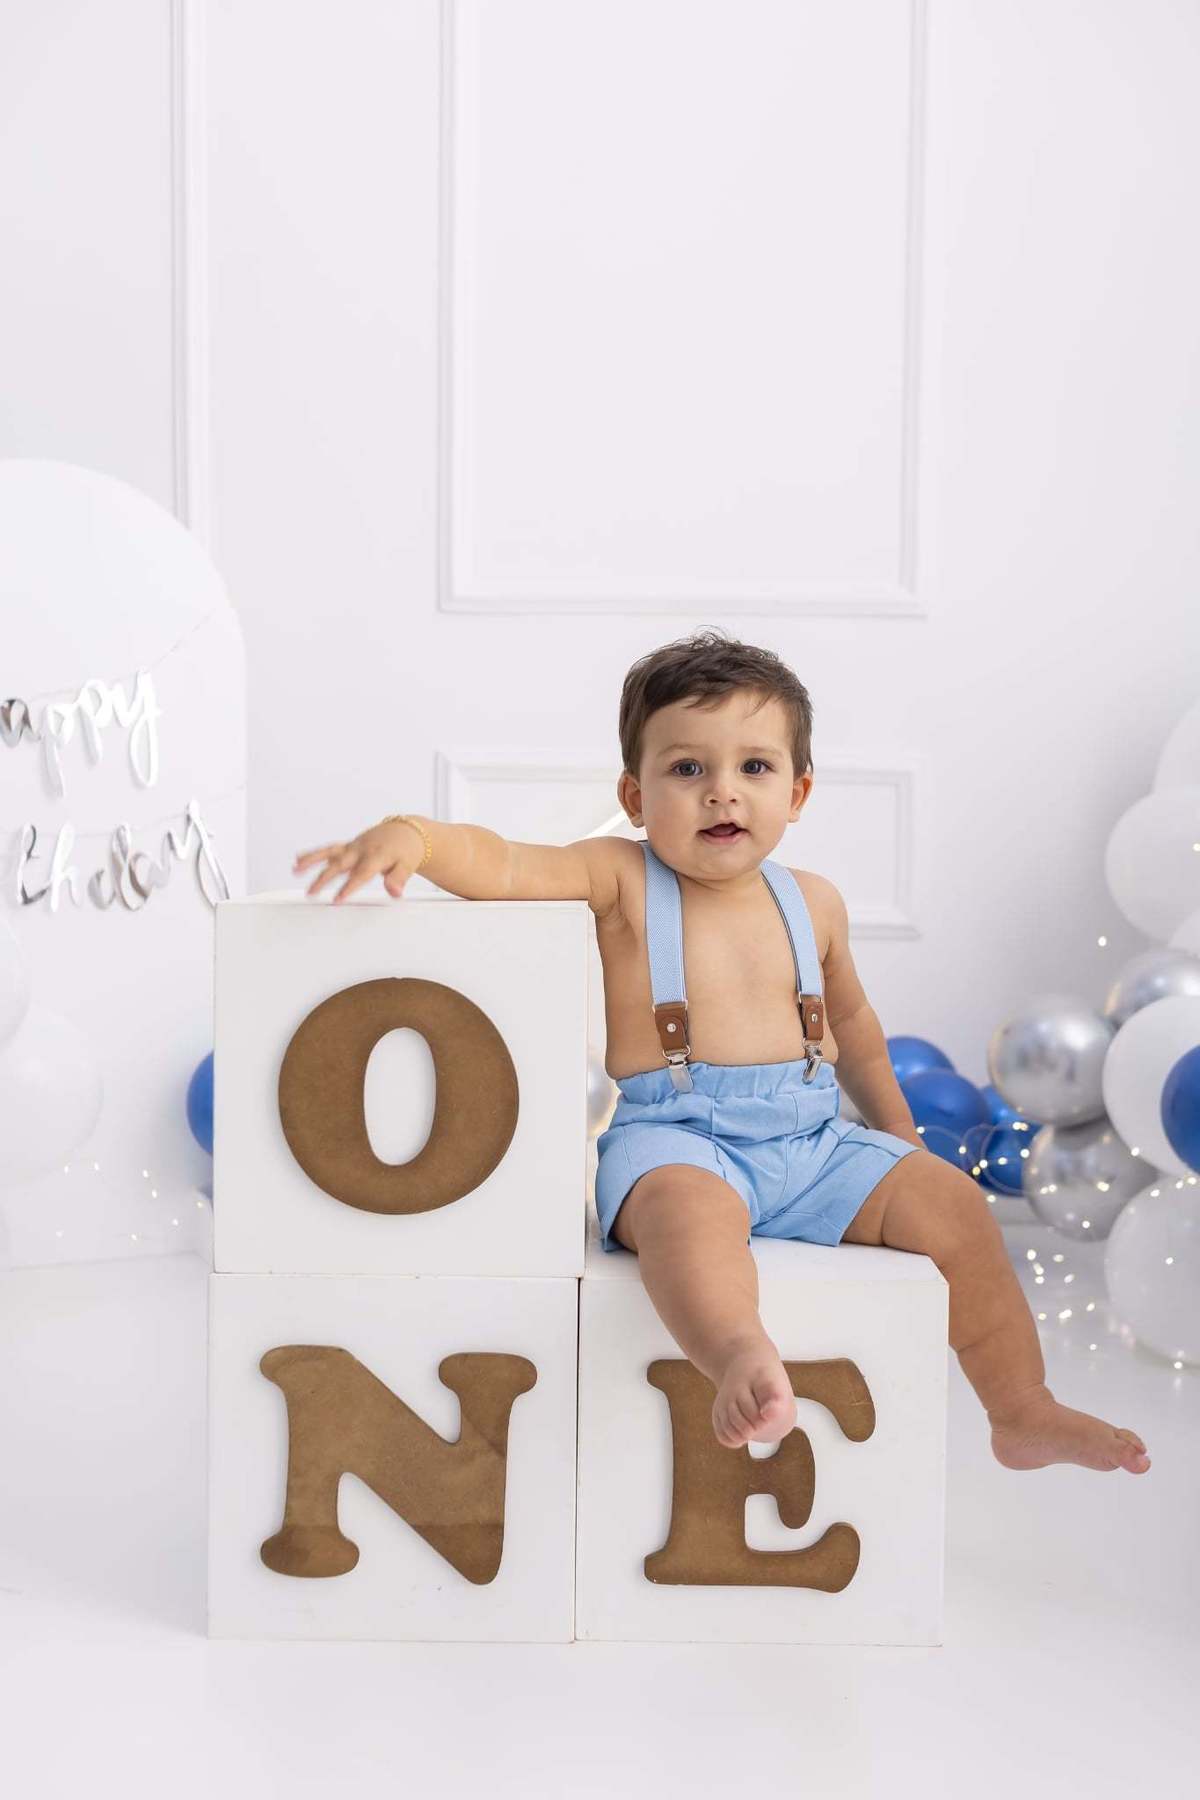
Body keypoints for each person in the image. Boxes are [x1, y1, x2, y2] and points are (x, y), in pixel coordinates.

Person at [293, 629, 1150, 1477]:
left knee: (958, 1211)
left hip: (814, 1146)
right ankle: (740, 1354)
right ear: (634, 795)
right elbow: (511, 864)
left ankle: (1021, 1408)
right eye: (687, 769)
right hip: (678, 1140)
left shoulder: (814, 902)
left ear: (799, 789)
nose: (722, 794)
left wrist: (896, 1134)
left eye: (754, 767)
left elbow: (852, 1028)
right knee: (685, 1226)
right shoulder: (621, 878)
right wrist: (418, 837)